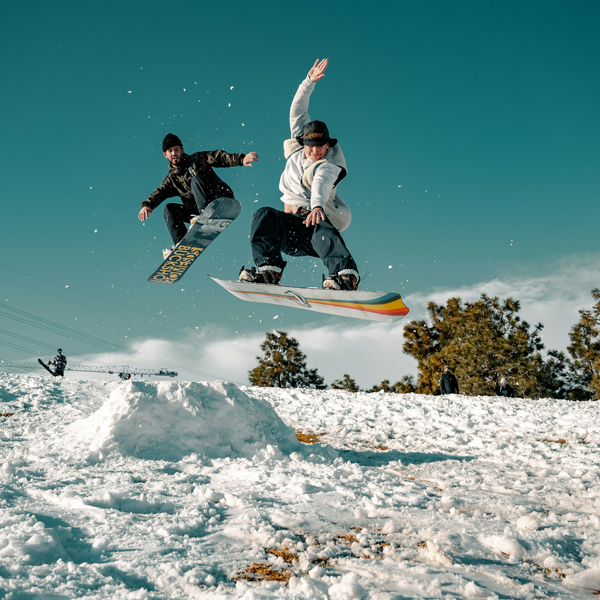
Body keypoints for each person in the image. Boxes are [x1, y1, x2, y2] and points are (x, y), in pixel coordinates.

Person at [239, 58, 359, 291]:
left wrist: (316, 207)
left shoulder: (328, 165)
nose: (315, 151)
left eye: (321, 146)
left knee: (319, 223)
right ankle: (268, 270)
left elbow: (321, 185)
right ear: (303, 142)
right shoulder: (297, 152)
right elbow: (297, 109)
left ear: (328, 145)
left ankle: (345, 275)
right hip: (287, 232)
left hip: (312, 231)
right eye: (310, 145)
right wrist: (308, 82)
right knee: (263, 214)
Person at [138, 133, 259, 257]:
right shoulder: (172, 180)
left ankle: (202, 217)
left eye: (176, 150)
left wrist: (240, 159)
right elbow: (160, 192)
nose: (174, 153)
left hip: (219, 197)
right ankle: (182, 244)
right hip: (196, 213)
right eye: (170, 151)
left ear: (182, 150)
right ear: (165, 155)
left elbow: (218, 157)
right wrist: (147, 205)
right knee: (169, 209)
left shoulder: (197, 159)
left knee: (195, 180)